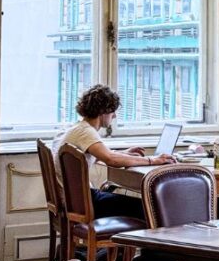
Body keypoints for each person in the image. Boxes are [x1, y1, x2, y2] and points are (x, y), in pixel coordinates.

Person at [53, 84, 176, 219]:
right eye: (113, 111)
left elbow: (102, 154)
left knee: (141, 204)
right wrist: (153, 160)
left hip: (74, 200)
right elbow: (111, 159)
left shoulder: (78, 129)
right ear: (103, 111)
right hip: (82, 202)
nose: (115, 116)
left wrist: (125, 153)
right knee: (149, 207)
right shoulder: (86, 132)